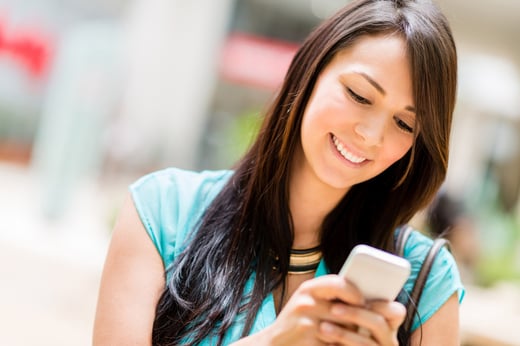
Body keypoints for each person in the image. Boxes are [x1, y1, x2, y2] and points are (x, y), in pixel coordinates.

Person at [93, 0, 464, 345]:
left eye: (403, 123)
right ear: (311, 71)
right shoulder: (162, 211)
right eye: (359, 96)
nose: (371, 136)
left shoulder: (426, 280)